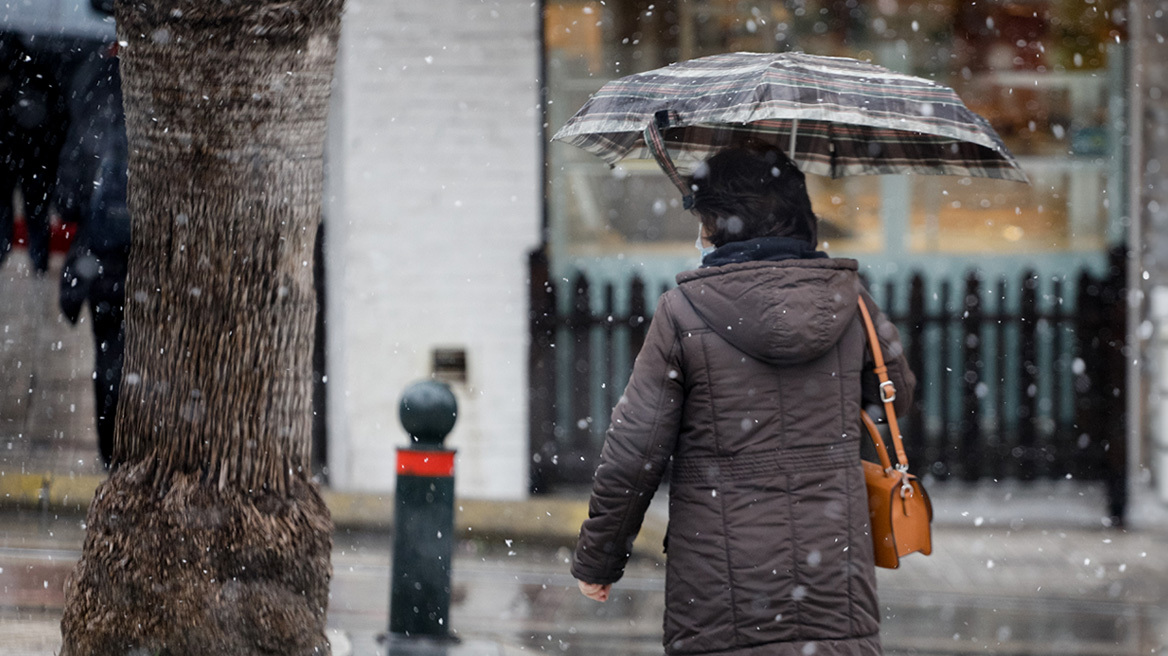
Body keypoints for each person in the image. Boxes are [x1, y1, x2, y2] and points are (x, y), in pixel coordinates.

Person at [571, 147, 916, 656]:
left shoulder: (683, 310)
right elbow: (896, 397)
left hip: (721, 595)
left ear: (719, 224)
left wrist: (599, 560)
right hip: (833, 583)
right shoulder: (851, 299)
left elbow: (634, 451)